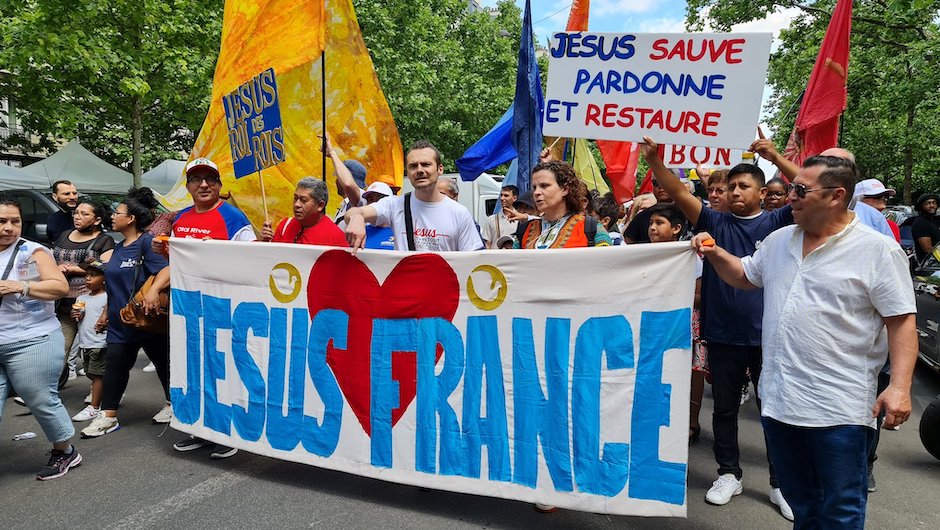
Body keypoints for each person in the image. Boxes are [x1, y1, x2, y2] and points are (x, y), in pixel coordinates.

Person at [692, 155, 917, 528]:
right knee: (803, 502)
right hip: (781, 403)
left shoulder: (878, 250)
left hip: (840, 409)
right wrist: (715, 252)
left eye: (799, 189)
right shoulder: (780, 241)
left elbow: (902, 320)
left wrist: (900, 387)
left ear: (836, 195)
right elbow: (745, 275)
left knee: (840, 508)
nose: (788, 196)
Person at [640, 136, 793, 519]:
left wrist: (774, 156)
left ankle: (781, 483)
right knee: (723, 409)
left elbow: (811, 184)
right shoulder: (714, 220)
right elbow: (675, 189)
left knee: (773, 408)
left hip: (767, 333)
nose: (736, 192)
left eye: (745, 186)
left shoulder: (779, 221)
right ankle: (729, 473)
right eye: (731, 186)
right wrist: (656, 161)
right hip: (722, 331)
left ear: (763, 192)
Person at [150, 158, 255, 459]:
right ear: (188, 186)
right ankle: (200, 429)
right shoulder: (180, 219)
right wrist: (165, 249)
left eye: (210, 179)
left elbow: (252, 259)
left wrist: (219, 252)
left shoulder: (233, 218)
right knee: (192, 369)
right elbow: (179, 262)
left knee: (222, 370)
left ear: (219, 185)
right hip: (187, 309)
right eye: (196, 179)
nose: (204, 185)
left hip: (222, 308)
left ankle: (229, 432)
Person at [0, 194, 81, 480]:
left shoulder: (30, 252)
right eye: (1, 221)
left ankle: (65, 451)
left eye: (15, 221)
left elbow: (59, 287)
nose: (9, 227)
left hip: (31, 339)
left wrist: (20, 287)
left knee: (39, 398)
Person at [80, 190, 171, 438]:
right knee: (115, 367)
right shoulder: (119, 248)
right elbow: (115, 285)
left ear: (130, 218)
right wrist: (106, 314)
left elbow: (166, 270)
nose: (112, 216)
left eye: (117, 213)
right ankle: (108, 416)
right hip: (121, 321)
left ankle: (173, 405)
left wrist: (153, 292)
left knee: (164, 365)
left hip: (147, 320)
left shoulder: (146, 243)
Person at [344, 140, 483, 252]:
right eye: (413, 166)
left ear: (440, 169)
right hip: (406, 285)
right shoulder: (394, 205)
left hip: (444, 286)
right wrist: (357, 217)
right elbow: (354, 211)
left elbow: (472, 263)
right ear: (408, 172)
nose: (420, 170)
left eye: (426, 164)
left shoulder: (459, 213)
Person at [646, 203, 706, 442]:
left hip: (684, 323)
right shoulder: (640, 256)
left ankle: (690, 422)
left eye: (659, 223)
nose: (652, 228)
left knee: (691, 373)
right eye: (651, 223)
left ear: (676, 228)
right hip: (654, 322)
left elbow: (701, 298)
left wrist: (672, 291)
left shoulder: (691, 258)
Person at [51, 200, 114, 383]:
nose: (78, 217)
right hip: (63, 303)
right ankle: (45, 390)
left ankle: (101, 392)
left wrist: (73, 268)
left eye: (84, 214)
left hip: (91, 303)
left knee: (95, 352)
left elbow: (106, 267)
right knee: (58, 349)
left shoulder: (104, 240)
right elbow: (53, 259)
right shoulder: (64, 235)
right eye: (76, 213)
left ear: (97, 220)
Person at [515, 161, 611, 249]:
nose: (536, 192)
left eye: (544, 186)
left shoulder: (592, 228)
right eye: (534, 187)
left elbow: (606, 264)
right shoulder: (524, 230)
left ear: (564, 189)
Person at [69, 261, 108, 422]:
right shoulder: (82, 297)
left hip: (100, 342)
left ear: (105, 279)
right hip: (85, 342)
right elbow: (80, 316)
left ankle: (94, 407)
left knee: (97, 375)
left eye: (93, 275)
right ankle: (109, 393)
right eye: (86, 275)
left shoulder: (108, 297)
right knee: (92, 373)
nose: (88, 278)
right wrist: (76, 314)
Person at [260, 178, 347, 246]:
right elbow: (272, 260)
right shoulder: (285, 226)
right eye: (295, 198)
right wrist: (264, 242)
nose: (297, 204)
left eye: (303, 200)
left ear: (320, 205)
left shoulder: (336, 238)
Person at [623, 174, 675, 243]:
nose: (660, 186)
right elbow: (629, 241)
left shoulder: (688, 214)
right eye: (655, 183)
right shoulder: (641, 217)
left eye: (666, 181)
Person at [911, 192, 940, 263]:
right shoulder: (920, 223)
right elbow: (928, 249)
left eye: (934, 203)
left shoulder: (934, 220)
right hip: (929, 266)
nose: (932, 205)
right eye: (927, 203)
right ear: (921, 206)